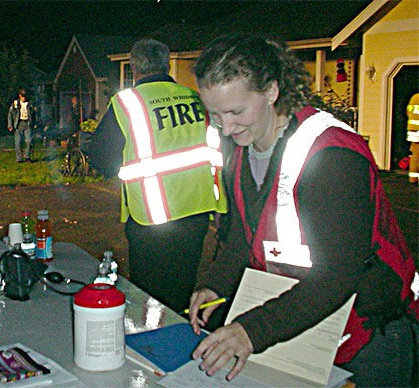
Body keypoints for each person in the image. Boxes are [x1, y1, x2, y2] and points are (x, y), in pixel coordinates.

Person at [188, 33, 418, 386]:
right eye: (215, 114)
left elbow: (338, 274)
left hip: (369, 328)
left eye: (236, 111)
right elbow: (242, 237)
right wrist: (214, 283)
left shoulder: (332, 157)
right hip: (299, 319)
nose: (226, 126)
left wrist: (251, 331)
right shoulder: (240, 146)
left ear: (271, 92)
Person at [87, 39, 227, 312]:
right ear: (166, 64)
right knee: (182, 289)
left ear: (135, 66)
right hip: (196, 213)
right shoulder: (194, 98)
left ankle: (150, 346)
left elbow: (101, 156)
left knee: (147, 295)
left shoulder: (128, 102)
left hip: (151, 218)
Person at [7, 89, 35, 162]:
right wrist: (10, 125)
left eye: (25, 96)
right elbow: (10, 114)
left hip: (27, 123)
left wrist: (35, 123)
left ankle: (27, 157)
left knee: (29, 141)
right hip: (18, 124)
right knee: (18, 142)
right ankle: (19, 158)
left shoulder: (30, 103)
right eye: (22, 96)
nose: (24, 98)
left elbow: (34, 114)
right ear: (19, 95)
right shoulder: (15, 103)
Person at [406, 92, 419, 184]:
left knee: (415, 154)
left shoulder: (414, 97)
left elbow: (408, 112)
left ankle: (413, 178)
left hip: (412, 130)